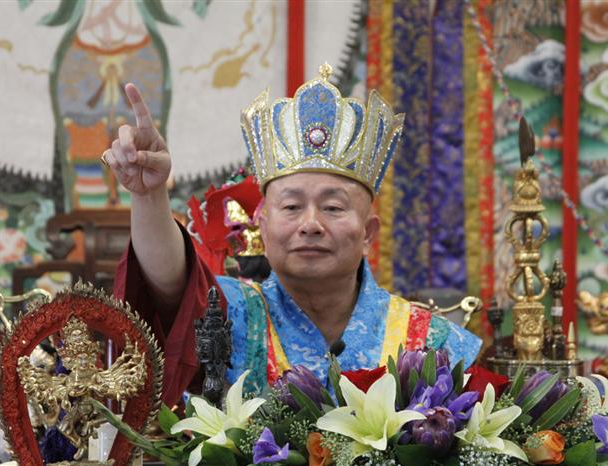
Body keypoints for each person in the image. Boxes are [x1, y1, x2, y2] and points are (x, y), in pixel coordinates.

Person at [103, 65, 482, 406]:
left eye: (333, 207)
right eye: (291, 206)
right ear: (264, 228)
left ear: (368, 233)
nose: (310, 224)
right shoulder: (231, 315)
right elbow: (169, 282)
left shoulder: (432, 344)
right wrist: (148, 195)